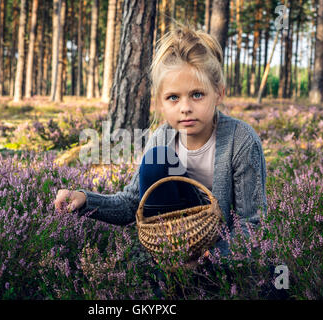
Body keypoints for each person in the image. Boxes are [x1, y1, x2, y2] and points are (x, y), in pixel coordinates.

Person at [54, 25, 268, 291]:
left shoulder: (241, 140)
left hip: (222, 256)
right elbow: (133, 203)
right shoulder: (162, 137)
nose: (185, 107)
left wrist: (212, 258)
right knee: (156, 160)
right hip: (173, 248)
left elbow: (253, 222)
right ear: (161, 102)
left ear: (219, 93)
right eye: (173, 98)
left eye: (197, 94)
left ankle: (202, 283)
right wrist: (85, 200)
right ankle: (171, 278)